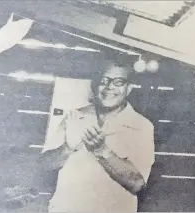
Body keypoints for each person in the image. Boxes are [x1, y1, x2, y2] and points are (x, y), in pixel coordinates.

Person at [38, 60, 155, 212]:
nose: (109, 87)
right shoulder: (75, 117)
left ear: (129, 88)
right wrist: (67, 148)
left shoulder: (141, 126)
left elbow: (137, 183)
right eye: (104, 80)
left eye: (118, 81)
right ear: (95, 85)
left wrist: (102, 150)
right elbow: (43, 166)